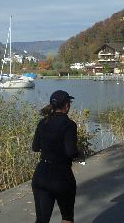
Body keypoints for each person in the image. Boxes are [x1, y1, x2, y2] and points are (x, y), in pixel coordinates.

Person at [32, 90, 79, 223]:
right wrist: (79, 153)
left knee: (41, 220)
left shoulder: (43, 123)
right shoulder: (69, 125)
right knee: (67, 217)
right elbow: (71, 152)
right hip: (61, 176)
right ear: (67, 105)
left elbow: (35, 148)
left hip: (41, 175)